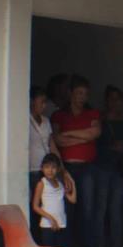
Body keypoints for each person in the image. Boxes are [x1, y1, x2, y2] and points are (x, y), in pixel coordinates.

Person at [51, 76, 102, 247]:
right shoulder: (59, 115)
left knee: (88, 209)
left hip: (87, 167)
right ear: (71, 93)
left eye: (85, 94)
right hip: (66, 169)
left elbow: (94, 134)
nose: (82, 97)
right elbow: (57, 140)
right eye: (79, 93)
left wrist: (69, 134)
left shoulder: (92, 113)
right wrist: (83, 137)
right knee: (66, 211)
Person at [96, 85, 123, 247]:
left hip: (120, 169)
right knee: (101, 207)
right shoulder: (100, 122)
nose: (114, 102)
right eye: (111, 99)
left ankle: (116, 246)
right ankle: (100, 245)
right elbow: (95, 145)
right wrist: (111, 147)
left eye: (117, 99)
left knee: (116, 208)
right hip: (103, 167)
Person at [31, 154, 77, 247]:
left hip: (61, 224)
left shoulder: (60, 183)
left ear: (57, 169)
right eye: (46, 167)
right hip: (48, 225)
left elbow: (73, 199)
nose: (50, 170)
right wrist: (50, 218)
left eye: (53, 167)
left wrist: (73, 183)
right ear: (42, 169)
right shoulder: (42, 183)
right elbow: (36, 206)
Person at [28, 86, 69, 238]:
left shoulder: (46, 121)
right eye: (42, 102)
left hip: (48, 169)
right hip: (32, 169)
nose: (44, 106)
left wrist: (62, 168)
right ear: (32, 102)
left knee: (51, 206)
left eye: (46, 102)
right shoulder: (25, 120)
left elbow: (52, 145)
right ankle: (36, 241)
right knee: (35, 206)